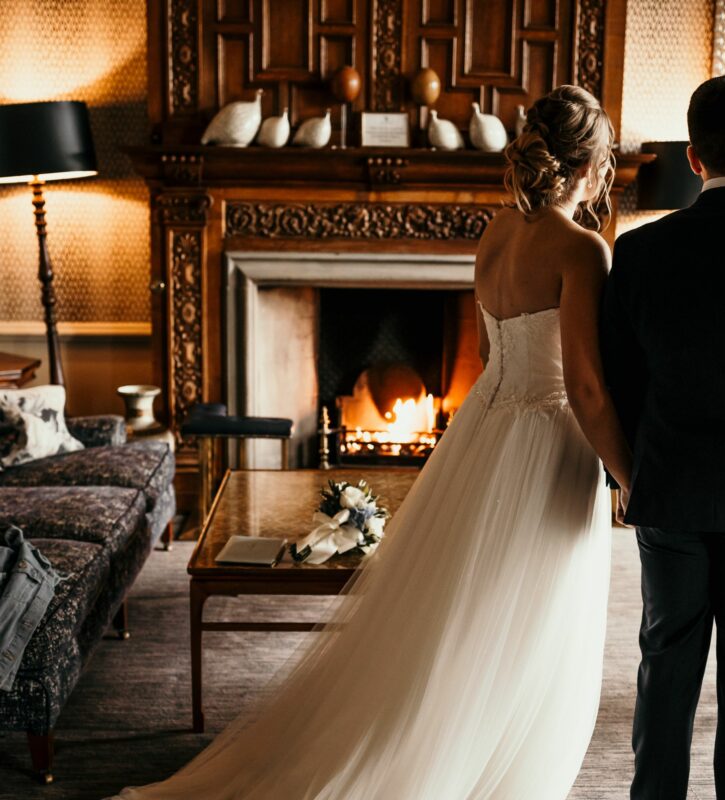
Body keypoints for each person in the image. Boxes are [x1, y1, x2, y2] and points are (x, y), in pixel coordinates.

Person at [110, 85, 632, 800]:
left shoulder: (496, 233)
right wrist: (626, 473)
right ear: (589, 163)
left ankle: (443, 729)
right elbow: (588, 389)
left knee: (470, 601)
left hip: (487, 428)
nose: (609, 175)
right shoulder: (582, 252)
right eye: (607, 161)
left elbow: (489, 355)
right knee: (528, 612)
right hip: (547, 445)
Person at [602, 75, 725, 800]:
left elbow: (618, 387)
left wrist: (628, 482)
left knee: (666, 666)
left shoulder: (639, 253)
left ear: (692, 156)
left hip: (671, 493)